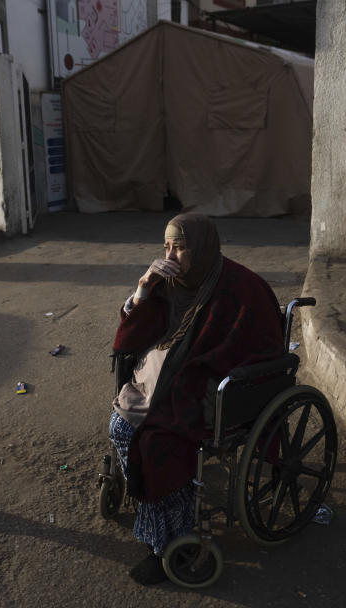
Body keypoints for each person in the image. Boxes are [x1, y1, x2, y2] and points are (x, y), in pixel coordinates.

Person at [108, 213, 285, 585]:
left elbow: (259, 350)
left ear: (201, 248)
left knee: (155, 443)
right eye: (166, 247)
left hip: (201, 393)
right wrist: (143, 287)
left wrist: (192, 374)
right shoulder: (171, 281)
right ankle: (153, 513)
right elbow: (130, 337)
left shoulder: (239, 287)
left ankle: (169, 543)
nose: (170, 256)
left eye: (181, 247)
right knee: (121, 426)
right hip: (159, 384)